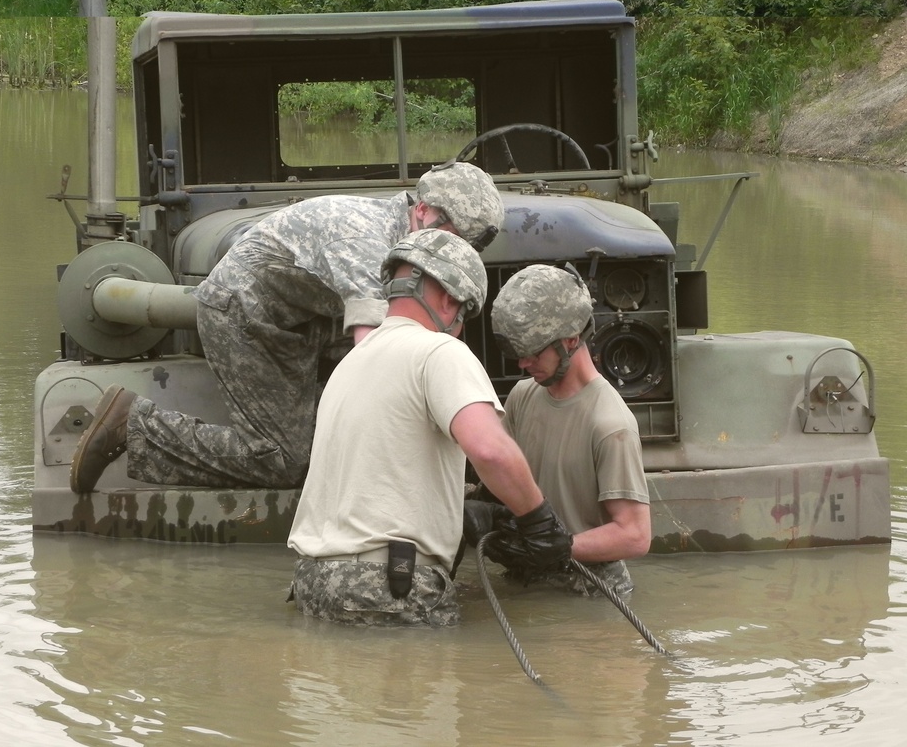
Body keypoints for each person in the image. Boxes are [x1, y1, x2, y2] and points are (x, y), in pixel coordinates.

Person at [69, 161, 505, 494]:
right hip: (244, 314)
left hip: (306, 319)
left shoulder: (406, 239)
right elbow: (379, 355)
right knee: (283, 460)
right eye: (450, 235)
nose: (453, 252)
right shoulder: (364, 240)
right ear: (422, 210)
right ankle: (135, 425)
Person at [286, 230, 571, 627]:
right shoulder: (440, 352)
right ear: (450, 299)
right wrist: (539, 522)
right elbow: (489, 450)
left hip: (313, 583)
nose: (458, 327)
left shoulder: (350, 364)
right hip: (388, 587)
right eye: (464, 315)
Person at [466, 263, 651, 595]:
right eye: (517, 353)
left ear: (571, 339)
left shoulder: (611, 425)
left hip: (588, 589)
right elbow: (502, 479)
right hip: (525, 578)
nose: (523, 363)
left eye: (534, 352)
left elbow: (635, 535)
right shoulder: (524, 396)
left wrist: (560, 546)